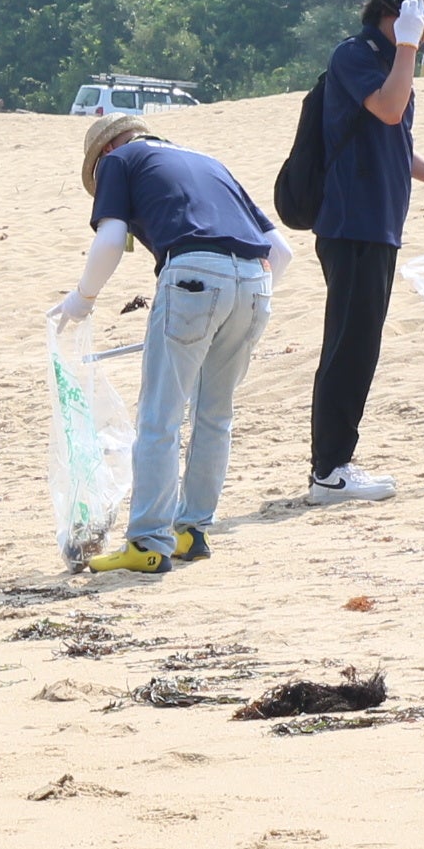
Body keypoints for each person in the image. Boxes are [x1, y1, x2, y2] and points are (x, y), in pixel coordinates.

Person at [56, 116, 286, 573]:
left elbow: (111, 237)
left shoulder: (118, 161)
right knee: (214, 413)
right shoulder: (208, 162)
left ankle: (148, 541)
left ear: (103, 154)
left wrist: (81, 299)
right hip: (257, 286)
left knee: (160, 416)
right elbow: (281, 251)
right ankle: (192, 530)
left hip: (193, 274)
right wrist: (234, 302)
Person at [306, 0, 424, 504]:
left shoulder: (391, 62)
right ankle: (329, 470)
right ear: (396, 8)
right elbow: (389, 106)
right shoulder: (356, 55)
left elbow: (395, 141)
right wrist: (405, 46)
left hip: (379, 225)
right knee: (349, 347)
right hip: (351, 223)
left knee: (362, 344)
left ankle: (335, 463)